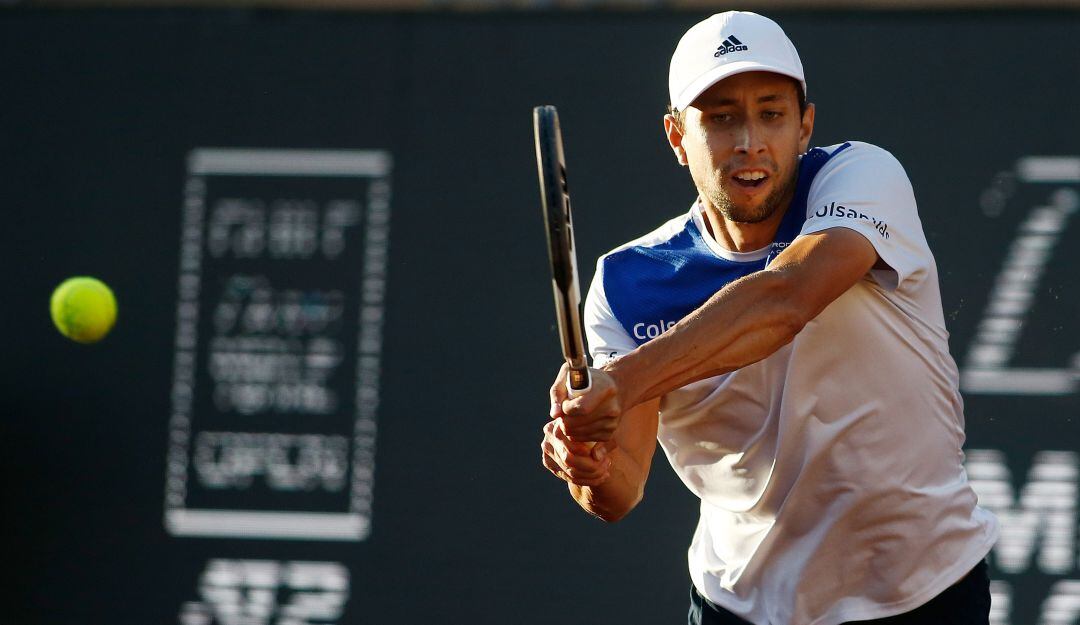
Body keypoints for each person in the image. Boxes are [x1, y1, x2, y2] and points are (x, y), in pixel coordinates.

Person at [539, 11, 998, 625]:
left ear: (805, 125)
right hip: (740, 607)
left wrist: (619, 383)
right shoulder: (627, 284)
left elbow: (787, 297)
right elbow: (620, 490)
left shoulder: (861, 177)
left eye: (772, 114)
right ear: (677, 138)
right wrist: (589, 465)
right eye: (721, 118)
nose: (750, 140)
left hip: (924, 591)